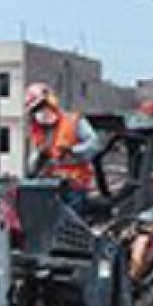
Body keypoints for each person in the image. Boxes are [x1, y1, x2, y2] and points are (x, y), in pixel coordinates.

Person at [24, 83, 99, 216]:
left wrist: (72, 150)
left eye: (41, 106)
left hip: (75, 186)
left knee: (71, 223)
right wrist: (38, 159)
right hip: (52, 187)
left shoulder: (73, 121)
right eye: (35, 110)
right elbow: (32, 166)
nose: (40, 112)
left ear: (50, 102)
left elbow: (94, 144)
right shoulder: (38, 131)